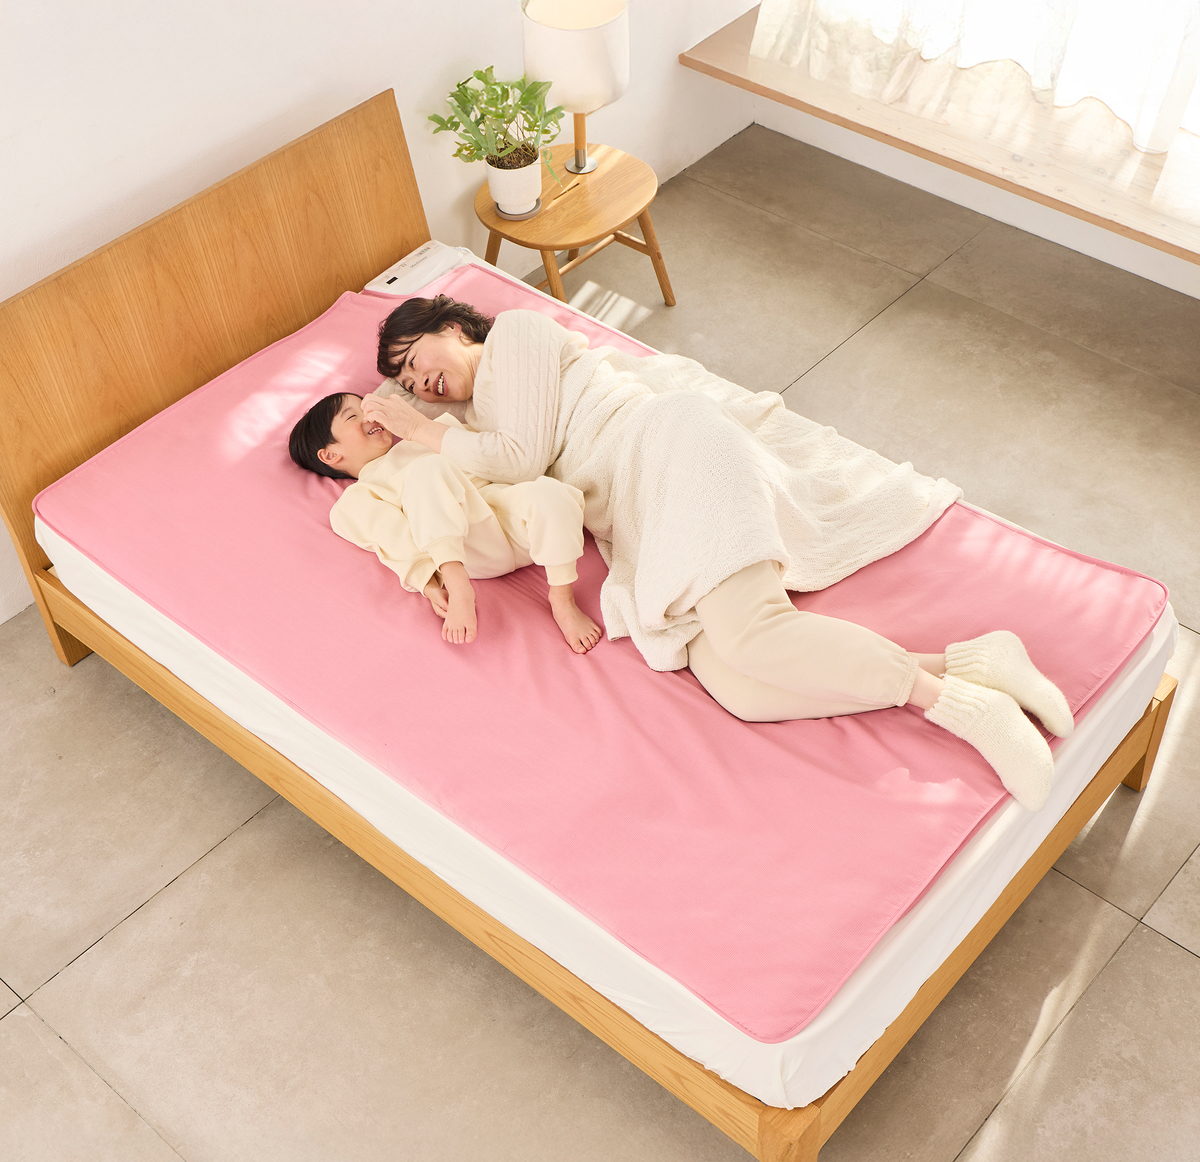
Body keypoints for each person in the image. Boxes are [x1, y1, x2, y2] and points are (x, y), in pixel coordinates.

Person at [362, 297, 1074, 812]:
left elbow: (517, 458)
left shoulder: (515, 334)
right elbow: (432, 453)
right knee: (741, 690)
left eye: (416, 360)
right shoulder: (468, 422)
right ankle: (974, 663)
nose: (419, 383)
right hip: (637, 516)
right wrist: (405, 419)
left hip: (668, 446)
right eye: (407, 381)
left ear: (453, 327)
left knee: (753, 634)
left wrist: (417, 425)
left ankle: (964, 708)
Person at [288, 391, 602, 653]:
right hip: (465, 548)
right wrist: (429, 584)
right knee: (427, 469)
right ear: (330, 455)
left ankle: (562, 597)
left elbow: (488, 455)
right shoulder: (357, 499)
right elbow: (393, 539)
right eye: (353, 416)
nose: (369, 416)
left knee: (552, 493)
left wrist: (420, 426)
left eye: (367, 408)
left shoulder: (427, 433)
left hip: (509, 514)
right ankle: (459, 585)